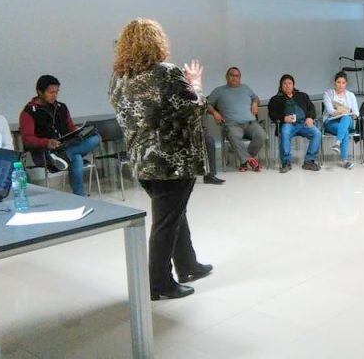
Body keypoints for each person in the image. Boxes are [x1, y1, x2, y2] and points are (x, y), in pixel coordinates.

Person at [110, 18, 212, 300]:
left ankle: (188, 265)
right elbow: (194, 108)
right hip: (172, 163)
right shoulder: (166, 73)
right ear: (157, 42)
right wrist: (196, 84)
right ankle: (159, 284)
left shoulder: (119, 78)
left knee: (173, 214)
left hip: (142, 162)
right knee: (166, 221)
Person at [19, 75, 101, 196]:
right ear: (40, 92)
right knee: (76, 157)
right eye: (51, 92)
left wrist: (78, 132)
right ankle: (80, 197)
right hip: (45, 153)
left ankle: (65, 155)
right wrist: (46, 142)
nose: (55, 95)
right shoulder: (29, 112)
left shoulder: (61, 107)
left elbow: (71, 128)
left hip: (65, 147)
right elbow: (27, 139)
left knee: (96, 138)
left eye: (57, 92)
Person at [207, 66, 267, 175]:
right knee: (233, 135)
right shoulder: (219, 90)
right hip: (232, 125)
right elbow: (208, 105)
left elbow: (256, 98)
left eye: (237, 76)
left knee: (262, 135)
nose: (235, 78)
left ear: (240, 77)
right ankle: (249, 160)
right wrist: (215, 113)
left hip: (250, 123)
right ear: (226, 77)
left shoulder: (245, 88)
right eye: (232, 75)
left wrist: (254, 102)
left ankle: (246, 161)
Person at [268, 74, 321, 173]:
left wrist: (310, 117)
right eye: (285, 83)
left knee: (317, 133)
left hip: (303, 123)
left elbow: (311, 108)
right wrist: (283, 118)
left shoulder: (302, 95)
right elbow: (272, 114)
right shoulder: (275, 99)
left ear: (293, 85)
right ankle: (286, 163)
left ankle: (309, 161)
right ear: (280, 86)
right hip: (288, 124)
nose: (287, 86)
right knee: (285, 133)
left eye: (290, 83)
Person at [322, 71, 358, 169]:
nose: (341, 85)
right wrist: (340, 111)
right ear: (334, 82)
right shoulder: (328, 94)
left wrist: (352, 114)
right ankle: (345, 161)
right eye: (338, 82)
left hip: (347, 120)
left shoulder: (351, 95)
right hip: (331, 121)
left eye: (343, 83)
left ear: (346, 83)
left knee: (346, 118)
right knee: (344, 131)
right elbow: (330, 111)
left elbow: (356, 112)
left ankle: (337, 143)